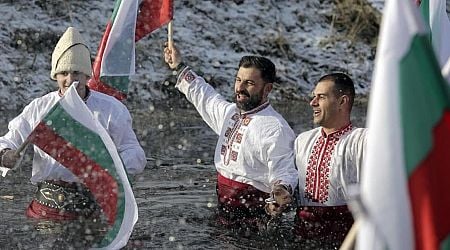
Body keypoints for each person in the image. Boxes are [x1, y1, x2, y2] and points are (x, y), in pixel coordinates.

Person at [0, 27, 146, 221]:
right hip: (46, 209)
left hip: (93, 209)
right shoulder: (40, 108)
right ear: (56, 77)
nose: (70, 80)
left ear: (87, 76)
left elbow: (135, 153)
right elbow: (9, 139)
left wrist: (110, 169)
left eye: (76, 72)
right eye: (63, 73)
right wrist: (6, 155)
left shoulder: (111, 109)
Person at [163, 43, 298, 228]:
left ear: (267, 89)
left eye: (249, 83)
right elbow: (203, 95)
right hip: (224, 208)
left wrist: (281, 191)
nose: (240, 88)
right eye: (238, 80)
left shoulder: (275, 128)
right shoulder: (230, 114)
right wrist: (178, 66)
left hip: (254, 216)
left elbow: (286, 171)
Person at [291, 73, 367, 245]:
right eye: (313, 97)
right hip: (302, 235)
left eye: (321, 97)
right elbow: (292, 185)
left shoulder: (362, 140)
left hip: (345, 238)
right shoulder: (302, 140)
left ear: (342, 101)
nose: (313, 103)